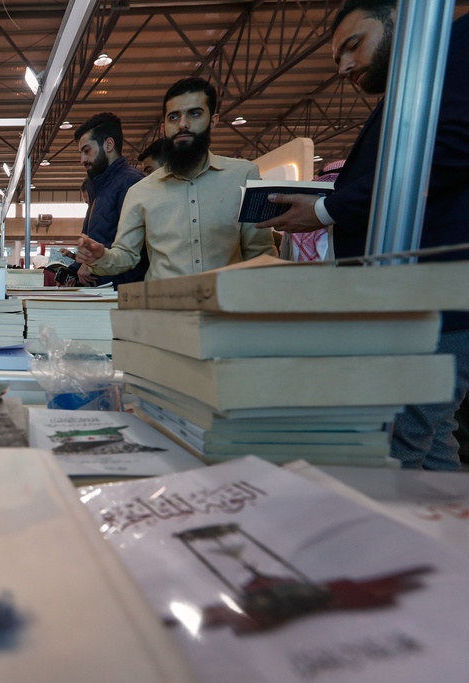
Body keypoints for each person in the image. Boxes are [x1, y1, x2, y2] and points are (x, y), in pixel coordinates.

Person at [255, 0, 469, 471]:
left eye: (354, 45)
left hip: (435, 298)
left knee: (396, 446)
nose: (346, 66)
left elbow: (450, 150)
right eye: (337, 58)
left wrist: (329, 208)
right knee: (427, 442)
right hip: (425, 298)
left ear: (402, 18)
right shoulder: (420, 78)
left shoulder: (455, 50)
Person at [76, 77, 277, 281]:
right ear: (163, 127)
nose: (183, 124)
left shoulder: (244, 176)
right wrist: (100, 257)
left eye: (195, 113)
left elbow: (260, 251)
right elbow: (127, 255)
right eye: (173, 117)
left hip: (227, 307)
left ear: (213, 120)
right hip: (164, 308)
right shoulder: (140, 192)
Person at [67, 112, 148, 287]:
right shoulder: (97, 186)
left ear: (108, 145)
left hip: (121, 291)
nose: (82, 159)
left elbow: (134, 246)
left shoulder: (132, 183)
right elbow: (97, 237)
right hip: (100, 290)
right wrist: (74, 270)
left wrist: (94, 263)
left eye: (87, 150)